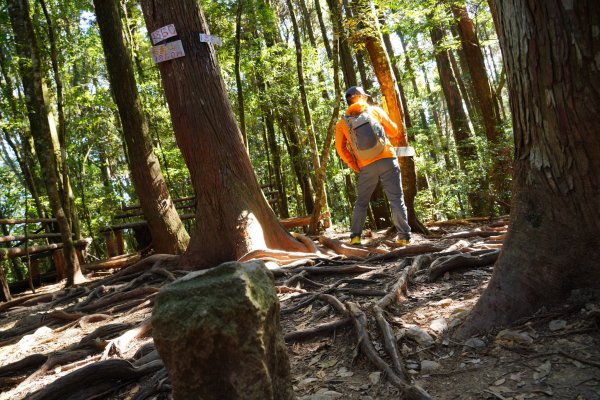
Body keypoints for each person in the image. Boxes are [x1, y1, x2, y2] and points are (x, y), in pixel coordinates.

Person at [335, 86, 411, 245]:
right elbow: (394, 131)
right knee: (396, 199)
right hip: (388, 159)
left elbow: (340, 150)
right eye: (364, 95)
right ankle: (403, 237)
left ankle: (355, 237)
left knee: (362, 202)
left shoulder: (342, 123)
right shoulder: (375, 111)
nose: (366, 98)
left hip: (365, 166)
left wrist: (354, 164)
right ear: (358, 97)